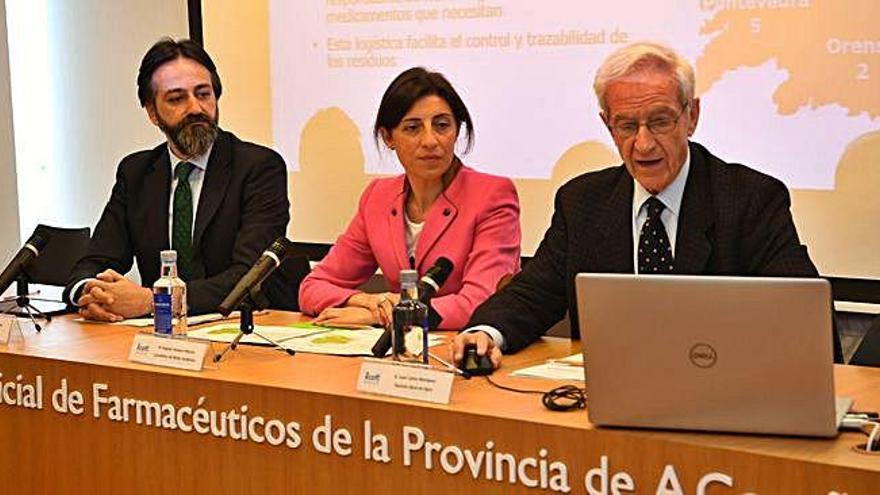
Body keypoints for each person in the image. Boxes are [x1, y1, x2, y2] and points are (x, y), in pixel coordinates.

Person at [453, 42, 842, 367]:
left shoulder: (749, 200)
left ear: (692, 116)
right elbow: (533, 294)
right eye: (626, 126)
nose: (643, 144)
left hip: (721, 394)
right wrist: (486, 333)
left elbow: (805, 315)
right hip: (613, 408)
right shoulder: (582, 202)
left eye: (659, 122)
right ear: (608, 125)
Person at [63, 38, 290, 321]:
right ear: (152, 112)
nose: (195, 108)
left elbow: (247, 277)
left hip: (239, 327)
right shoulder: (136, 172)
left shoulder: (258, 167)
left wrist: (155, 300)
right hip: (161, 339)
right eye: (177, 98)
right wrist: (93, 294)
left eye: (203, 94)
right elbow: (94, 262)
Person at [299, 67, 521, 330]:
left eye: (441, 125)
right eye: (413, 128)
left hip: (467, 349)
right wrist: (370, 302)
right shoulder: (378, 197)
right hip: (403, 356)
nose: (430, 140)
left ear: (457, 130)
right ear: (388, 137)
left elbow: (480, 302)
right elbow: (312, 288)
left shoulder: (492, 195)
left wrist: (387, 316)